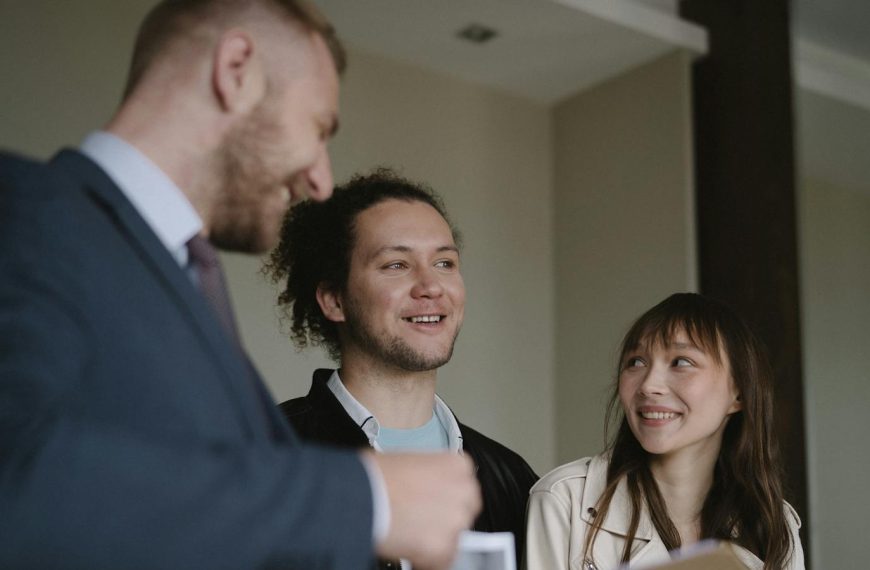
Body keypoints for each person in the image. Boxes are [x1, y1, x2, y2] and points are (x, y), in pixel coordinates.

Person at [0, 1, 480, 568]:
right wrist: (365, 499)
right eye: (318, 128)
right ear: (236, 71)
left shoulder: (184, 279)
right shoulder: (21, 209)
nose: (320, 181)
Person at [266, 168, 539, 568]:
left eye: (444, 263)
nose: (431, 286)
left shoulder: (514, 479)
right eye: (396, 265)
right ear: (334, 300)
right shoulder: (267, 458)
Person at [525, 293, 804, 570]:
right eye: (636, 362)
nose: (649, 385)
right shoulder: (564, 499)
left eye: (681, 362)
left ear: (739, 392)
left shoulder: (774, 523)